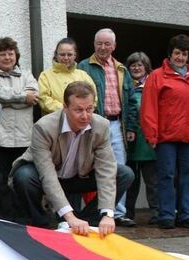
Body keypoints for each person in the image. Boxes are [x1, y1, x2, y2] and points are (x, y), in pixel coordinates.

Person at [11, 81, 134, 236]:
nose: (85, 116)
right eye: (78, 110)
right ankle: (42, 224)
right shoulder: (44, 127)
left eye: (89, 109)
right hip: (47, 176)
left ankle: (87, 222)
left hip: (80, 176)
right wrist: (69, 215)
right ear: (65, 107)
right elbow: (47, 175)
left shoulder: (101, 125)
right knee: (23, 176)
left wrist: (108, 215)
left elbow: (107, 170)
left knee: (124, 173)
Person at [141, 34, 189, 229]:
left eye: (184, 54)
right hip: (165, 137)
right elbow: (148, 107)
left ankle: (186, 215)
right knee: (167, 176)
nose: (180, 57)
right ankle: (167, 215)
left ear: (188, 56)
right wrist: (152, 134)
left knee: (187, 175)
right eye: (177, 53)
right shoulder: (157, 76)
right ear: (170, 54)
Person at [78, 28, 136, 227]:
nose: (103, 48)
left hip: (118, 125)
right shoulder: (84, 67)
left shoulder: (121, 69)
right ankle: (98, 212)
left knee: (119, 168)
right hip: (95, 124)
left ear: (114, 46)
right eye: (99, 43)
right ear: (94, 44)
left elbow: (131, 101)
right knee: (91, 168)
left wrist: (131, 127)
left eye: (107, 44)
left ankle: (117, 213)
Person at [0, 37, 38, 190]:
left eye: (11, 53)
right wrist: (22, 98)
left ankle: (20, 213)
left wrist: (4, 102)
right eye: (2, 54)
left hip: (24, 139)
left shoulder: (26, 75)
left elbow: (35, 95)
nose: (7, 57)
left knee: (22, 181)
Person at [124, 52, 158, 224]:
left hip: (148, 141)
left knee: (152, 180)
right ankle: (128, 214)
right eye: (133, 65)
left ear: (146, 67)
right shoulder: (124, 85)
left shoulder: (153, 85)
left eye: (140, 65)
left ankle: (156, 213)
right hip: (130, 140)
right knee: (131, 180)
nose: (136, 68)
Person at [37, 37, 95, 115]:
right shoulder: (45, 76)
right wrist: (67, 110)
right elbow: (44, 99)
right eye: (62, 54)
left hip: (80, 121)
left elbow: (94, 98)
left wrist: (81, 110)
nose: (66, 58)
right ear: (56, 55)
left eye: (69, 54)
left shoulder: (83, 75)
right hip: (55, 122)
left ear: (75, 55)